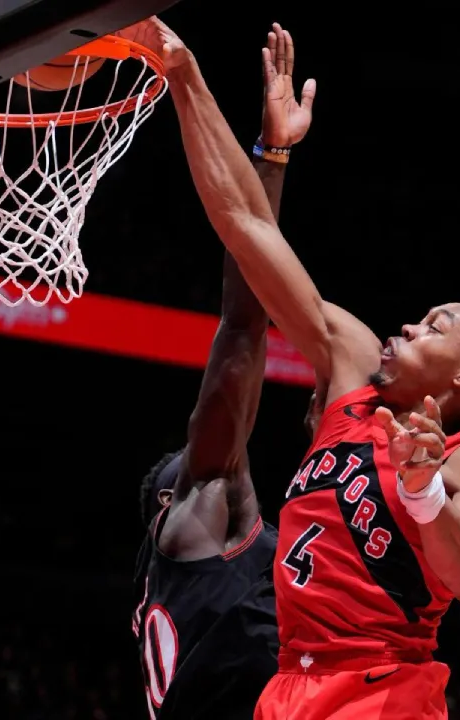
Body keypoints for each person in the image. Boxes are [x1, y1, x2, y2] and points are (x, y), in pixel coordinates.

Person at [125, 16, 460, 720]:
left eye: (436, 326)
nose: (408, 324)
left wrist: (425, 491)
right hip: (287, 688)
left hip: (382, 688)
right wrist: (188, 77)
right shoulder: (353, 374)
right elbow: (245, 231)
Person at [127, 23, 315, 720]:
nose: (214, 450)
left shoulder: (185, 566)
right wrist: (272, 155)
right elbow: (242, 323)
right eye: (195, 452)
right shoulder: (193, 516)